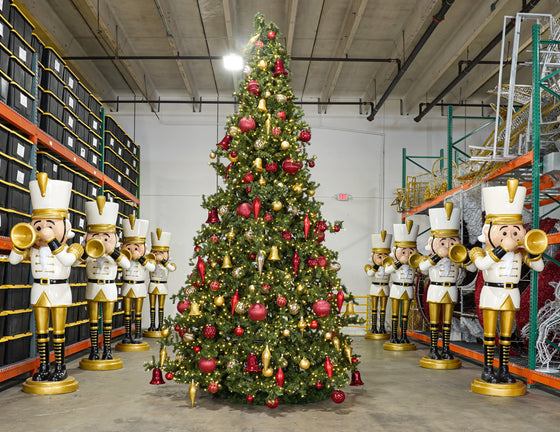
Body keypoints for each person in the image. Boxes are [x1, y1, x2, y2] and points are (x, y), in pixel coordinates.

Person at [469, 179, 546, 395]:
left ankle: (503, 369)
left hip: (511, 293)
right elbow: (482, 265)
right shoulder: (482, 251)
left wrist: (532, 252)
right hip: (491, 293)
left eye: (515, 231)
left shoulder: (520, 253)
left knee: (506, 335)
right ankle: (487, 369)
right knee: (489, 334)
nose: (511, 236)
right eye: (504, 232)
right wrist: (502, 248)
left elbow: (539, 267)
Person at [9, 172, 81, 393]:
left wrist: (52, 241)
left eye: (50, 224)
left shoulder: (71, 247)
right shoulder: (32, 247)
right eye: (38, 225)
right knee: (41, 332)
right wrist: (21, 242)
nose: (43, 230)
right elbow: (13, 261)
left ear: (65, 226)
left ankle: (60, 366)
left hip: (59, 290)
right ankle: (43, 366)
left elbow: (67, 261)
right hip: (39, 289)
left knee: (58, 332)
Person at [418, 202, 475, 368]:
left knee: (448, 322)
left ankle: (446, 348)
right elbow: (423, 268)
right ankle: (433, 348)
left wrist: (464, 257)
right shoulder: (430, 258)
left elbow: (472, 268)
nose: (448, 245)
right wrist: (437, 256)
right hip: (435, 289)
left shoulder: (457, 257)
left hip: (451, 289)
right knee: (435, 321)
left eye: (452, 241)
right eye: (443, 242)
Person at [79, 196, 131, 369]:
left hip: (109, 286)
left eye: (106, 236)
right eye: (96, 235)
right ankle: (94, 349)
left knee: (107, 321)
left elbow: (126, 264)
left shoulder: (116, 254)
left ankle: (107, 349)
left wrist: (112, 251)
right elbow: (75, 262)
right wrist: (87, 249)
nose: (101, 239)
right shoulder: (88, 251)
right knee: (93, 321)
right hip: (92, 286)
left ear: (115, 238)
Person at [116, 215, 155, 350]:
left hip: (139, 286)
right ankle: (127, 334)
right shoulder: (123, 258)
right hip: (127, 284)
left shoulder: (147, 258)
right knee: (127, 312)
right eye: (129, 247)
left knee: (138, 312)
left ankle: (138, 333)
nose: (132, 250)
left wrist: (140, 258)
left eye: (136, 247)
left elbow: (151, 268)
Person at [384, 220, 419, 350]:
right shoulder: (392, 262)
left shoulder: (414, 263)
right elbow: (387, 270)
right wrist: (399, 262)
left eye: (410, 251)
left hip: (408, 288)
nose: (407, 254)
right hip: (397, 288)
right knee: (395, 314)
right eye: (404, 252)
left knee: (405, 314)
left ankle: (403, 335)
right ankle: (394, 335)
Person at [144, 229, 176, 337]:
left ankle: (160, 325)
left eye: (161, 253)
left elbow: (172, 268)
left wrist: (163, 261)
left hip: (162, 285)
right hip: (152, 284)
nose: (158, 255)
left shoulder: (168, 264)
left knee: (161, 306)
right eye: (155, 252)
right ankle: (152, 324)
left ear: (168, 254)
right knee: (152, 306)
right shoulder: (151, 263)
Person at [364, 230, 392, 338]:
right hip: (375, 287)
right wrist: (376, 265)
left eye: (385, 256)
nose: (382, 258)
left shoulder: (388, 267)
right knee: (374, 308)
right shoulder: (369, 266)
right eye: (380, 256)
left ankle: (382, 326)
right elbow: (370, 274)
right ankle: (374, 326)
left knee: (383, 308)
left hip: (385, 287)